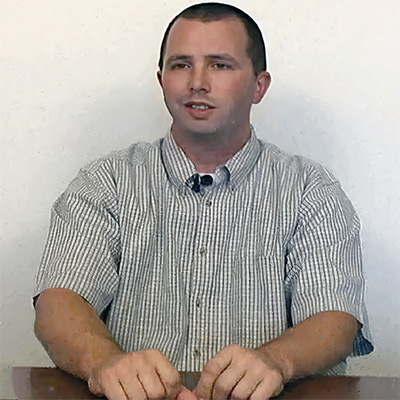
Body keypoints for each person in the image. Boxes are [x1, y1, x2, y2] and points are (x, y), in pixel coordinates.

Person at [33, 3, 373, 400]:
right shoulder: (105, 181)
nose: (197, 82)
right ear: (161, 80)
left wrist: (276, 362)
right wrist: (104, 363)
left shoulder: (310, 189)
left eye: (220, 65)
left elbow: (335, 320)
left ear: (259, 86)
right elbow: (59, 302)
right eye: (180, 65)